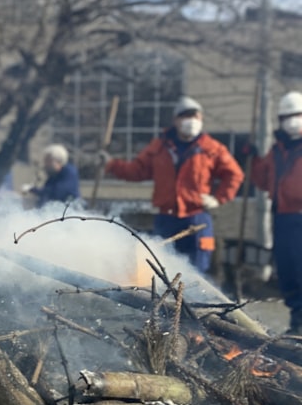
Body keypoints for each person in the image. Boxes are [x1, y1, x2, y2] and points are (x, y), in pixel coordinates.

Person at [101, 96, 243, 273]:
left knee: (198, 271)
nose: (191, 121)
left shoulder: (212, 149)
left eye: (195, 116)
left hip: (197, 218)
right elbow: (137, 170)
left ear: (201, 120)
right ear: (175, 120)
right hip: (166, 218)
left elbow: (234, 174)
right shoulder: (159, 147)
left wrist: (218, 199)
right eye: (185, 116)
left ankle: (193, 302)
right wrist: (112, 165)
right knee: (163, 269)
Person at [250, 91, 302, 334]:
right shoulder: (277, 150)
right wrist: (254, 159)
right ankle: (297, 321)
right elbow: (262, 181)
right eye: (287, 116)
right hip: (281, 217)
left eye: (297, 115)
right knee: (288, 271)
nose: (292, 120)